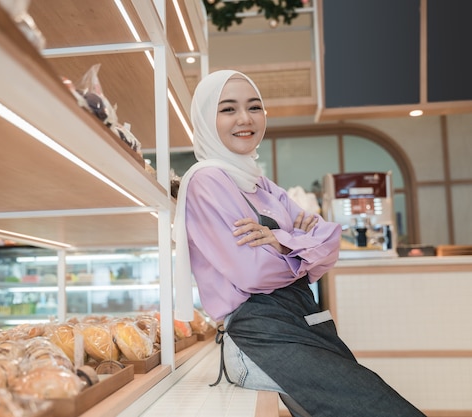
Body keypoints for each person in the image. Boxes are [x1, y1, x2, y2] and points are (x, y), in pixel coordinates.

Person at [172, 70, 425, 417]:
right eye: (228, 109)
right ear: (204, 119)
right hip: (260, 337)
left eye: (254, 107)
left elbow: (330, 242)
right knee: (379, 408)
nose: (245, 119)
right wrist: (300, 246)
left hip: (301, 325)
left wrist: (278, 241)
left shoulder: (261, 185)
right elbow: (254, 274)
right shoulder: (206, 181)